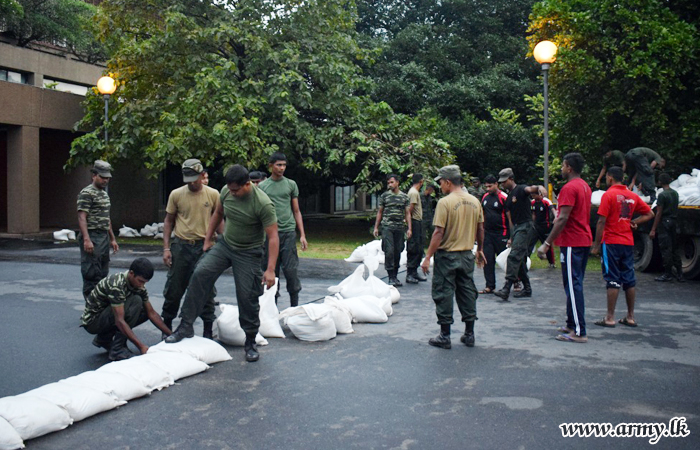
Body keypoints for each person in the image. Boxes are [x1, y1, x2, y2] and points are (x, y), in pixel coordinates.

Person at [166, 165, 279, 363]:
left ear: (248, 184)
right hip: (226, 245)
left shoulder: (262, 203)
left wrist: (270, 270)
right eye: (230, 189)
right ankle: (186, 325)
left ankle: (250, 340)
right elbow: (217, 214)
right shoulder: (226, 192)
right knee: (200, 273)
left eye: (236, 190)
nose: (232, 193)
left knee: (247, 295)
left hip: (249, 252)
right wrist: (209, 239)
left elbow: (273, 237)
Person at [421, 165, 485, 349]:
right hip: (466, 255)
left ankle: (445, 335)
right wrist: (480, 249)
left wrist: (427, 257)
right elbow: (481, 228)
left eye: (441, 182)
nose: (440, 186)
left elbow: (438, 233)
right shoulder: (475, 201)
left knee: (444, 292)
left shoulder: (445, 202)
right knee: (467, 292)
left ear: (448, 182)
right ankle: (469, 334)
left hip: (447, 256)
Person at [161, 159, 223, 339]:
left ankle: (207, 329)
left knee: (206, 288)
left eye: (194, 178)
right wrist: (166, 248)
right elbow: (168, 221)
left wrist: (224, 244)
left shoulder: (213, 194)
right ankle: (166, 327)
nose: (191, 182)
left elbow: (219, 219)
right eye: (187, 178)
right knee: (174, 287)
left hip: (205, 248)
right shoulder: (176, 194)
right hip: (182, 246)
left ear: (202, 175)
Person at [536, 153, 592, 343]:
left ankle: (579, 330)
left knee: (573, 285)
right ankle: (571, 323)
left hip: (572, 241)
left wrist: (546, 244)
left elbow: (562, 218)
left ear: (569, 167)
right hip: (582, 240)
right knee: (572, 284)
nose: (561, 168)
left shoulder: (569, 188)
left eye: (562, 165)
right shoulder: (584, 186)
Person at [591, 166, 654, 328]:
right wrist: (635, 222)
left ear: (610, 178)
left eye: (607, 178)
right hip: (627, 242)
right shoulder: (631, 195)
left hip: (611, 242)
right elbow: (649, 214)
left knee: (612, 278)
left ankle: (610, 317)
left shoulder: (609, 195)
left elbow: (601, 221)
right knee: (629, 280)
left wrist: (596, 245)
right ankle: (630, 316)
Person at [81, 258, 171, 361]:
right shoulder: (116, 285)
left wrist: (171, 335)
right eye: (140, 281)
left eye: (145, 282)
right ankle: (117, 350)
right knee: (136, 301)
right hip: (93, 321)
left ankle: (104, 338)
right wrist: (141, 346)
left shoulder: (139, 286)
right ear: (131, 273)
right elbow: (119, 321)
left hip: (107, 316)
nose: (142, 285)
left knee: (144, 310)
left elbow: (151, 313)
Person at [258, 152, 308, 307]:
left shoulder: (290, 184)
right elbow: (258, 213)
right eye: (278, 165)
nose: (282, 168)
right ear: (271, 166)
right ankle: (271, 308)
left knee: (291, 271)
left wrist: (302, 235)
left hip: (288, 233)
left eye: (284, 165)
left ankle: (295, 307)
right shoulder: (263, 187)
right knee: (271, 271)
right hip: (270, 234)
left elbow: (296, 211)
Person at [493, 168, 541, 301]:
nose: (502, 184)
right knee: (520, 259)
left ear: (511, 179)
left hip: (526, 226)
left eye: (504, 181)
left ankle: (507, 288)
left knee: (513, 256)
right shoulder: (508, 199)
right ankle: (527, 288)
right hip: (517, 228)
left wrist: (538, 188)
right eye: (501, 182)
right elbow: (510, 220)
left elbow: (530, 189)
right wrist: (511, 236)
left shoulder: (520, 189)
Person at [77, 160, 119, 300]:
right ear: (94, 175)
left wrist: (112, 238)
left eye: (107, 178)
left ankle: (99, 305)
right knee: (91, 273)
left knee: (102, 273)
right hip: (92, 235)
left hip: (103, 236)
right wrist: (87, 239)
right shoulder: (87, 193)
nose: (105, 180)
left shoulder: (104, 194)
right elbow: (82, 217)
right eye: (103, 177)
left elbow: (107, 218)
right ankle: (90, 308)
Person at [374, 174, 412, 287]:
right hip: (387, 227)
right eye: (388, 183)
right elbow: (380, 212)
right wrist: (376, 227)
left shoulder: (404, 197)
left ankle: (395, 275)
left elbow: (407, 213)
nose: (390, 184)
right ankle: (391, 276)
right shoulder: (385, 196)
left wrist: (409, 228)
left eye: (392, 182)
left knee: (398, 251)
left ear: (397, 182)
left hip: (400, 227)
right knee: (389, 251)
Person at [650, 173, 684, 282]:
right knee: (674, 247)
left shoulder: (662, 195)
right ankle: (679, 274)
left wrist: (653, 229)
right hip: (674, 221)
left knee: (665, 248)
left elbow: (659, 212)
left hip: (664, 223)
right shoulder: (675, 193)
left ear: (660, 182)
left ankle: (667, 274)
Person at [479, 174, 509, 294]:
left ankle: (514, 281)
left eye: (490, 186)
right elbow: (482, 214)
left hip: (502, 233)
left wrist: (510, 236)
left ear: (496, 184)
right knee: (488, 259)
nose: (488, 189)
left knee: (505, 260)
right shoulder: (485, 197)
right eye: (486, 186)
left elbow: (509, 217)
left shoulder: (503, 197)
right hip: (488, 233)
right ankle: (490, 285)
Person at [406, 173, 426, 283]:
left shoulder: (415, 192)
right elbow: (410, 209)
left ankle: (414, 272)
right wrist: (409, 226)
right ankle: (410, 273)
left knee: (419, 247)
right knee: (413, 247)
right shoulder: (413, 192)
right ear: (421, 181)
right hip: (414, 222)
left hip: (418, 221)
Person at [529, 186, 556, 268]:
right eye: (532, 195)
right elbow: (533, 214)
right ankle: (525, 260)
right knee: (530, 243)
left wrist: (555, 217)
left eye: (534, 195)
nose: (533, 197)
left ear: (539, 194)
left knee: (547, 244)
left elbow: (553, 210)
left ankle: (551, 263)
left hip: (545, 226)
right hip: (536, 226)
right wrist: (532, 223)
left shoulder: (546, 201)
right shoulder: (533, 202)